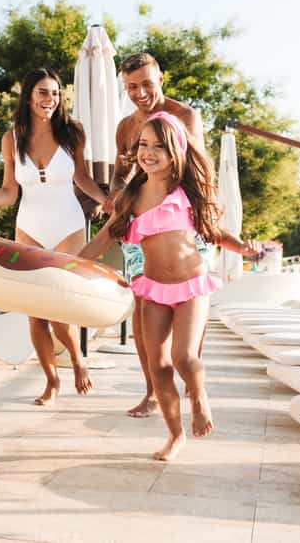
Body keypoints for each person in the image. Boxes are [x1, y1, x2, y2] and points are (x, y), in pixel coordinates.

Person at [81, 112, 253, 461]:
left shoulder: (187, 192)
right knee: (157, 365)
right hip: (154, 289)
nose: (149, 152)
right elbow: (101, 240)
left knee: (184, 357)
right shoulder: (132, 196)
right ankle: (175, 435)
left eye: (159, 146)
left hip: (192, 286)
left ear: (175, 150)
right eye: (143, 145)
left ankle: (199, 395)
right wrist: (66, 264)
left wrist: (242, 248)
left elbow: (213, 231)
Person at [107, 52, 256, 418]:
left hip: (182, 220)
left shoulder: (184, 115)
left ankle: (193, 388)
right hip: (144, 225)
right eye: (131, 87)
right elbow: (118, 174)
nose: (140, 92)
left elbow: (198, 165)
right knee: (144, 322)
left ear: (161, 80)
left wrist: (207, 209)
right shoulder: (126, 127)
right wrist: (116, 193)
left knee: (190, 313)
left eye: (146, 84)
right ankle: (153, 392)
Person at [0, 68, 109, 405]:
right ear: (29, 95)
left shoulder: (73, 134)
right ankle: (52, 381)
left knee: (59, 305)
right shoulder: (12, 139)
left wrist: (108, 201)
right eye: (42, 92)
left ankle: (78, 359)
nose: (49, 99)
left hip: (69, 225)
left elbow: (82, 179)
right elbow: (8, 193)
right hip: (29, 227)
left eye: (54, 93)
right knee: (35, 311)